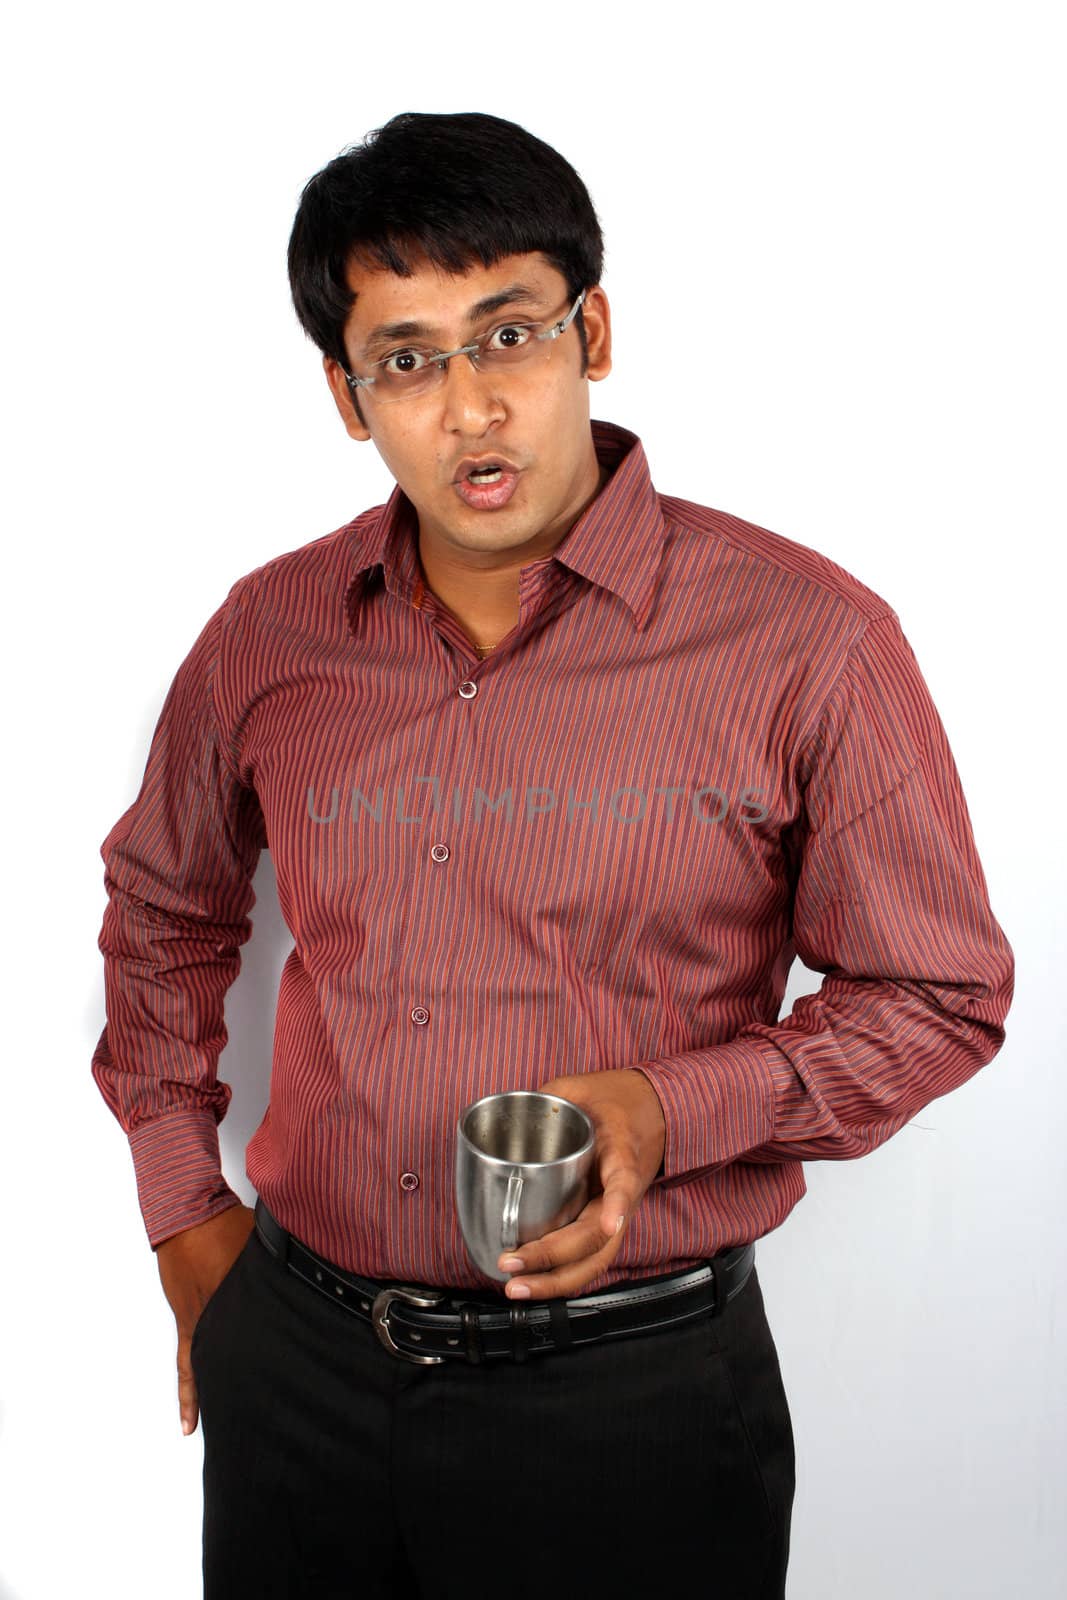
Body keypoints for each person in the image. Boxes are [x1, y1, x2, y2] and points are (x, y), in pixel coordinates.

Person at [91, 111, 1014, 1599]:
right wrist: (182, 1215)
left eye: (507, 332)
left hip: (631, 1402)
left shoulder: (809, 642)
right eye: (407, 359)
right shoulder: (268, 633)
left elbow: (940, 993)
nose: (469, 409)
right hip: (300, 1374)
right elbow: (164, 915)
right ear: (346, 396)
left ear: (592, 327)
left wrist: (667, 1111)